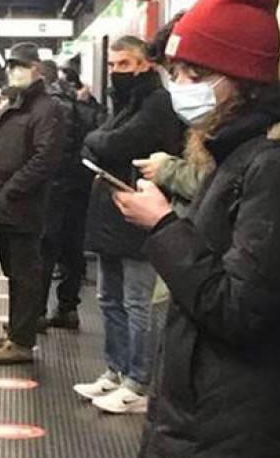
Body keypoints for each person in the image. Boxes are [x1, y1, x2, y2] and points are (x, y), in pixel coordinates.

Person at [111, 0, 280, 458]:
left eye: (193, 76)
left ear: (239, 80)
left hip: (237, 424)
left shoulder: (275, 166)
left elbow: (240, 309)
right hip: (206, 410)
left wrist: (163, 226)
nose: (178, 87)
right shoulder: (234, 153)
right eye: (176, 73)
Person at [75, 36, 183, 414]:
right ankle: (116, 370)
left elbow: (112, 144)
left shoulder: (157, 104)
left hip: (139, 214)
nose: (116, 72)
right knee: (109, 299)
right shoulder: (125, 103)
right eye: (113, 64)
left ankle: (139, 381)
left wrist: (97, 139)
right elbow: (98, 144)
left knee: (137, 302)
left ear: (144, 65)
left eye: (124, 64)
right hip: (112, 212)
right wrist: (99, 141)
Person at [0, 42, 64, 364]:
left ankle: (23, 341)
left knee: (25, 274)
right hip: (3, 204)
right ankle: (16, 332)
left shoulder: (46, 108)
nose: (14, 71)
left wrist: (11, 189)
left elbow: (44, 158)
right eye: (10, 65)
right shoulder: (18, 103)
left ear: (37, 69)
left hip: (21, 205)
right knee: (13, 271)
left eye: (20, 65)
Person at [39, 64, 97, 331]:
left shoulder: (51, 108)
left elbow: (50, 152)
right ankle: (67, 307)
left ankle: (36, 312)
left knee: (45, 248)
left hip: (54, 187)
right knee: (73, 249)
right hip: (79, 186)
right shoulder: (84, 107)